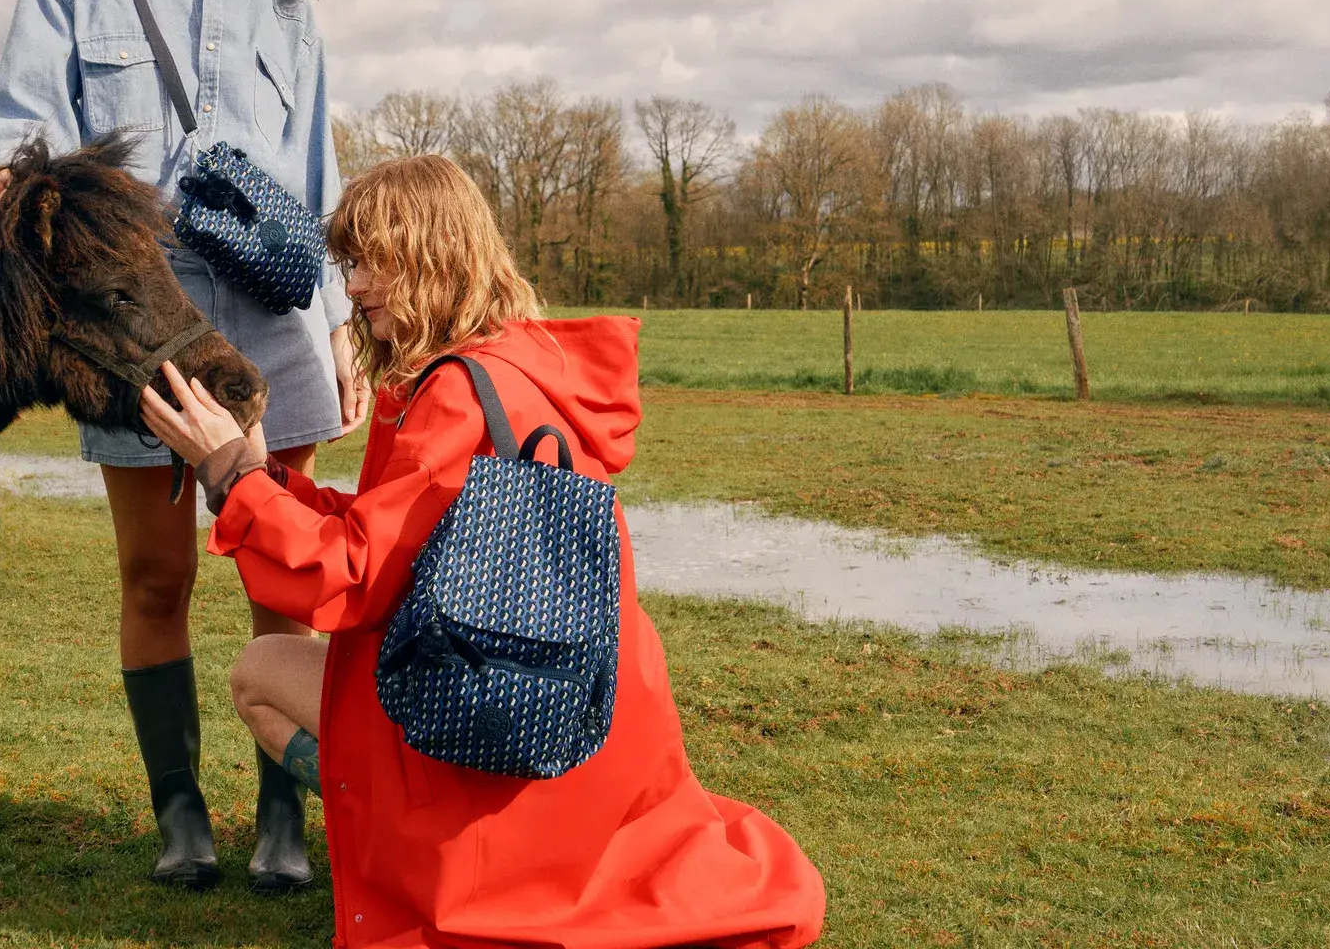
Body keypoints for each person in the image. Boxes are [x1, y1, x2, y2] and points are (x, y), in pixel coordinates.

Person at [140, 155, 826, 947]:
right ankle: (407, 839)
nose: (354, 286)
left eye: (372, 263)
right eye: (350, 264)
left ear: (433, 257)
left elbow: (353, 575)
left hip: (484, 708)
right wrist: (261, 474)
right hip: (588, 710)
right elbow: (391, 532)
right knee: (274, 671)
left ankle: (408, 848)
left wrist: (225, 470)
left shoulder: (457, 394)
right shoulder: (524, 364)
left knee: (260, 674)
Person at [0, 0, 367, 893]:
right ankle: (181, 810)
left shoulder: (287, 1)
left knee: (286, 572)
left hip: (273, 315)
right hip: (139, 314)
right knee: (155, 574)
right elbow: (23, 115)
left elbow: (315, 175)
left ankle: (286, 813)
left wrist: (336, 314)